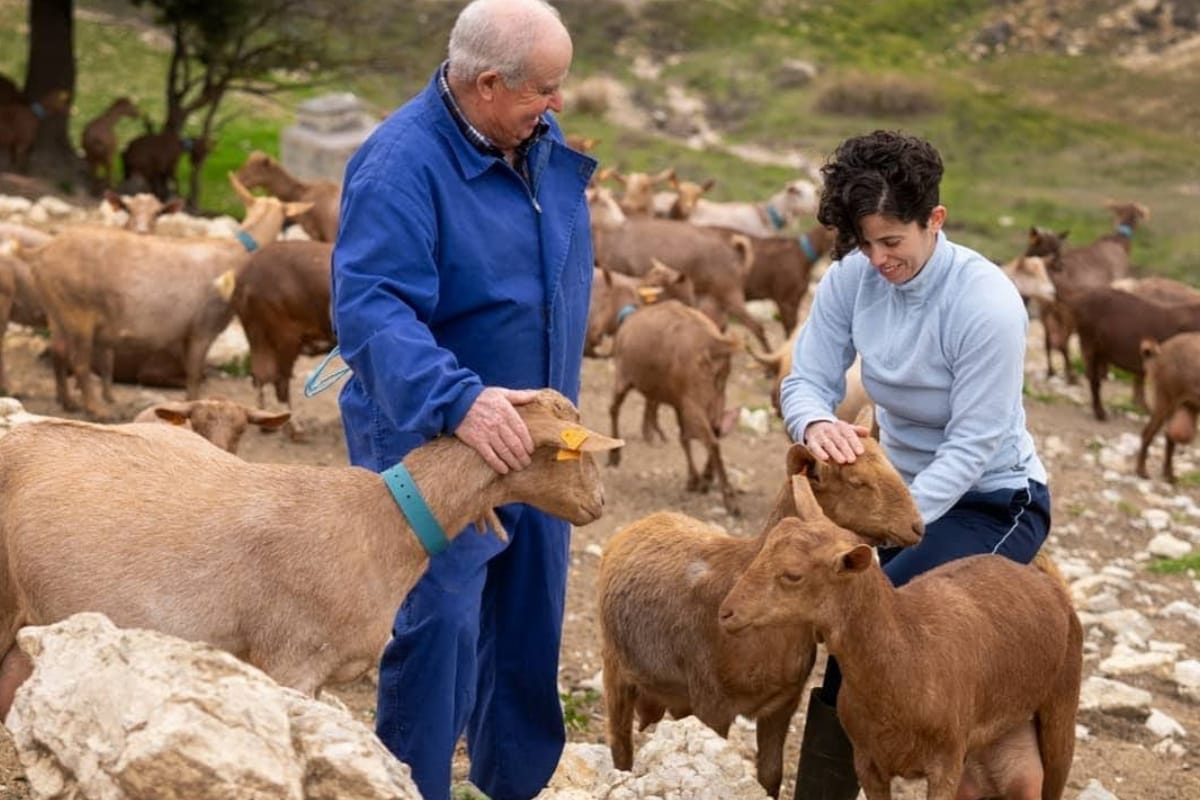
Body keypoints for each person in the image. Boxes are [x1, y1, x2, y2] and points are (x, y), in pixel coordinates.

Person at [329, 1, 595, 797]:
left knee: (528, 611)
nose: (557, 105)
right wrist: (459, 400)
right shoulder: (399, 165)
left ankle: (512, 785)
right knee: (440, 618)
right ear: (487, 83)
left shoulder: (537, 147)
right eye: (543, 89)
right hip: (434, 429)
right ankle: (414, 785)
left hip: (533, 434)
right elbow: (371, 306)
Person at [778, 130, 1051, 799]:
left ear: (935, 220)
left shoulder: (985, 303)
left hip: (993, 499)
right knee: (831, 625)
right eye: (863, 244)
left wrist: (897, 525)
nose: (877, 261)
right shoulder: (851, 277)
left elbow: (974, 444)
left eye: (892, 242)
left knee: (875, 621)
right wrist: (815, 422)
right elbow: (804, 380)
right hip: (892, 493)